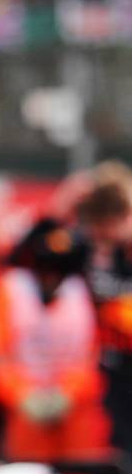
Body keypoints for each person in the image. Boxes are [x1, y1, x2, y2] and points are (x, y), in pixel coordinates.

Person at [0, 218, 107, 461]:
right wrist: (22, 396)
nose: (51, 277)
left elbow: (92, 356)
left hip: (76, 411)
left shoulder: (82, 289)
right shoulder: (9, 290)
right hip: (26, 411)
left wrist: (68, 394)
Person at [75, 163, 132, 457]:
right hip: (103, 371)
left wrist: (117, 311)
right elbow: (24, 256)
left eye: (108, 224)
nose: (102, 233)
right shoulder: (89, 249)